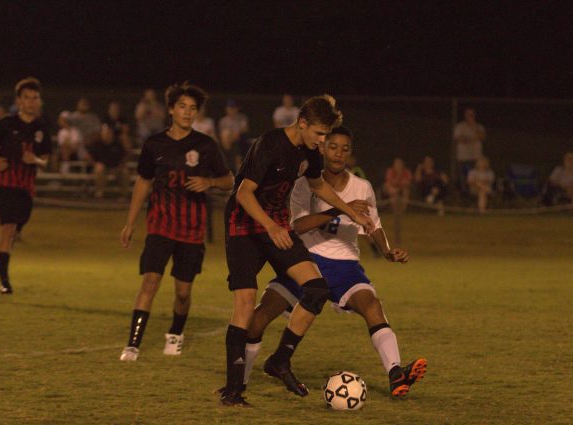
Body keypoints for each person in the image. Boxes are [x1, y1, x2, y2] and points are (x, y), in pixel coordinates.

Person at [235, 126, 426, 400]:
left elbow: (374, 225)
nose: (338, 153)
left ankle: (396, 374)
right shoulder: (304, 183)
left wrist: (386, 250)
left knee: (372, 306)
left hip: (345, 264)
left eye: (345, 149)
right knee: (261, 315)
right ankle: (239, 382)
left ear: (351, 153)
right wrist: (338, 210)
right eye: (333, 147)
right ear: (322, 149)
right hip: (306, 260)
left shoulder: (362, 187)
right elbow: (297, 225)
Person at [219, 95, 374, 407]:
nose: (322, 141)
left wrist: (350, 212)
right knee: (246, 302)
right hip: (244, 226)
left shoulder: (310, 151)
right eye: (318, 134)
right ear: (301, 124)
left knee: (317, 290)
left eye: (325, 135)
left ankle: (279, 360)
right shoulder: (269, 144)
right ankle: (233, 391)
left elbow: (318, 186)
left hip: (276, 224)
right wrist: (271, 227)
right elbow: (243, 193)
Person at [118, 83, 233, 362]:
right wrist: (130, 223)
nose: (187, 112)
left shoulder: (205, 145)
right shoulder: (154, 144)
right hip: (160, 224)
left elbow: (229, 180)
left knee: (183, 292)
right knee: (150, 282)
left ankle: (175, 334)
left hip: (192, 230)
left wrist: (209, 182)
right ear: (170, 109)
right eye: (182, 106)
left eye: (193, 108)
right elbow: (144, 182)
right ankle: (133, 345)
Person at [0, 77, 52, 301]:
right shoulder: (6, 123)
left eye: (35, 98)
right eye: (27, 98)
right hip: (6, 185)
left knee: (8, 237)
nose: (31, 102)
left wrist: (35, 160)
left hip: (26, 189)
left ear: (39, 101)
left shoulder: (42, 128)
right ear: (19, 101)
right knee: (7, 231)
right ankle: (5, 282)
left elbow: (45, 160)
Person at [88, 124, 129, 199]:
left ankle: (124, 195)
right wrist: (95, 164)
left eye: (109, 133)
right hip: (103, 168)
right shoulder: (97, 143)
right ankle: (99, 194)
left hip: (116, 167)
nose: (107, 135)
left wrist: (120, 165)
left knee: (125, 172)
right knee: (99, 169)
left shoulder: (117, 143)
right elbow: (89, 156)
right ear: (101, 134)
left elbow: (125, 155)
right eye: (105, 133)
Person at [453, 107, 486, 177]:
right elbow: (459, 139)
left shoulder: (479, 127)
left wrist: (474, 126)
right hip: (463, 158)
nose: (470, 116)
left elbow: (482, 137)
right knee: (463, 178)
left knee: (476, 178)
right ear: (465, 115)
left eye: (472, 114)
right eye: (469, 114)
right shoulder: (460, 126)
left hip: (476, 158)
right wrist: (472, 139)